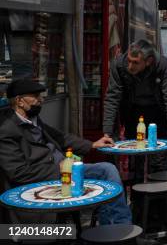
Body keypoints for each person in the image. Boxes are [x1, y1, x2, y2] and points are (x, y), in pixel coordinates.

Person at [0, 79, 131, 224]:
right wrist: (59, 168)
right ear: (19, 101)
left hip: (67, 171)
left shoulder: (34, 120)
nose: (41, 100)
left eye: (41, 96)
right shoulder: (7, 130)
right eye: (36, 96)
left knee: (107, 170)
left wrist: (92, 144)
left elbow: (61, 137)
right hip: (47, 179)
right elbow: (18, 172)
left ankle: (117, 226)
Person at [103, 39, 167, 174]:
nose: (130, 66)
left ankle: (158, 193)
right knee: (135, 157)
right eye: (129, 60)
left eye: (135, 63)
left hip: (157, 113)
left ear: (149, 61)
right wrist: (107, 132)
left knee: (158, 161)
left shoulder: (162, 65)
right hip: (132, 113)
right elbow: (112, 97)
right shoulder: (119, 65)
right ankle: (137, 191)